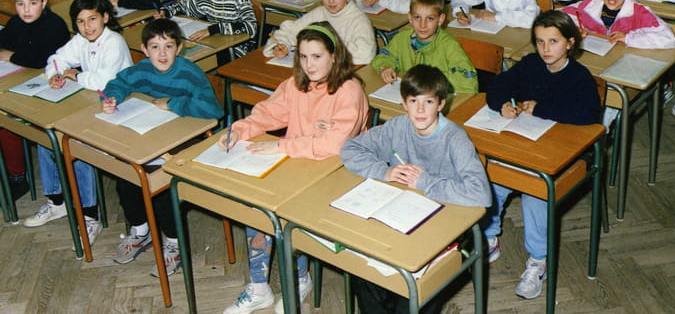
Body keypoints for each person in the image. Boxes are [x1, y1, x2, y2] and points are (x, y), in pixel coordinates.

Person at [220, 22, 369, 314]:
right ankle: (259, 288)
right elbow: (269, 112)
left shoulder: (349, 90)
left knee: (289, 213)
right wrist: (240, 129)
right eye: (303, 56)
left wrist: (282, 146)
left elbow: (335, 145)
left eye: (317, 56)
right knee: (257, 204)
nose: (309, 65)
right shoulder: (296, 84)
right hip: (299, 164)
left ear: (334, 56)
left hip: (339, 173)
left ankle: (301, 279)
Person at [340, 64, 492, 314]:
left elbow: (481, 193)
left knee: (412, 295)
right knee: (364, 273)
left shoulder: (455, 138)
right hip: (401, 218)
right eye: (413, 101)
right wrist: (383, 171)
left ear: (441, 104)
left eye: (428, 102)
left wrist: (425, 182)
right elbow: (350, 148)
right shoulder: (397, 127)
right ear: (403, 103)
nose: (420, 110)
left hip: (445, 226)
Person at [484, 10, 600, 299]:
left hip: (564, 156)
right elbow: (497, 85)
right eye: (539, 41)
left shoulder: (579, 77)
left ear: (570, 43)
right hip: (528, 144)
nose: (545, 49)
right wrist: (502, 104)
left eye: (553, 41)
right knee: (492, 176)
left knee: (535, 192)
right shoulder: (531, 64)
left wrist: (542, 109)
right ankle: (489, 237)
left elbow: (588, 115)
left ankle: (538, 259)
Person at [102, 18, 222, 277]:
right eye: (155, 47)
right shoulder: (142, 69)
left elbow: (213, 109)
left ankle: (174, 244)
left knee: (160, 183)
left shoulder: (189, 73)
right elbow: (119, 83)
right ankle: (140, 231)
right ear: (145, 50)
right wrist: (112, 97)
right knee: (127, 173)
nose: (162, 54)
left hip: (186, 140)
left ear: (179, 48)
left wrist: (173, 103)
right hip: (151, 135)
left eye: (168, 46)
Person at [25, 0, 133, 246]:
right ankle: (57, 202)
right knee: (47, 136)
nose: (87, 26)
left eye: (92, 19)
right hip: (91, 103)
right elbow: (56, 58)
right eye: (81, 22)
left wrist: (75, 75)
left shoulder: (114, 42)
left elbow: (104, 80)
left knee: (76, 143)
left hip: (119, 107)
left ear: (105, 17)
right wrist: (55, 74)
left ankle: (89, 215)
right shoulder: (81, 40)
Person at [0, 0, 70, 201]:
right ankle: (12, 170)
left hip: (52, 87)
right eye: (20, 4)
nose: (26, 10)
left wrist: (12, 56)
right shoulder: (16, 22)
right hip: (23, 80)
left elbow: (41, 59)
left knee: (7, 121)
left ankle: (17, 176)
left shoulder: (54, 24)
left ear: (44, 2)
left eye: (32, 3)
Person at [371, 0, 478, 94]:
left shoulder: (449, 45)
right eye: (417, 17)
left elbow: (468, 82)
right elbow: (384, 56)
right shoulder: (401, 39)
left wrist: (430, 81)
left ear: (440, 20)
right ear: (410, 17)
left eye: (430, 18)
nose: (422, 25)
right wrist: (385, 67)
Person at [263, 0, 376, 65]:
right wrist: (282, 44)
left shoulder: (358, 20)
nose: (331, 0)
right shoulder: (319, 13)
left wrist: (326, 49)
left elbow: (366, 54)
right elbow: (290, 30)